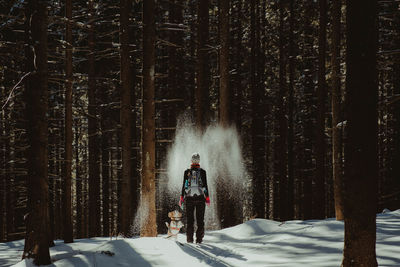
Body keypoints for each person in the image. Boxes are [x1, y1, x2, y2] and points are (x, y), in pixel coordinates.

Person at [179, 153, 210, 243]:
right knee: (200, 220)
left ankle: (189, 240)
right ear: (199, 161)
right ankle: (199, 240)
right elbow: (205, 186)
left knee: (190, 220)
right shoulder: (203, 172)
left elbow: (184, 186)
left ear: (191, 160)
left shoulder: (187, 172)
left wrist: (181, 197)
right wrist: (207, 198)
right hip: (200, 198)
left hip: (189, 198)